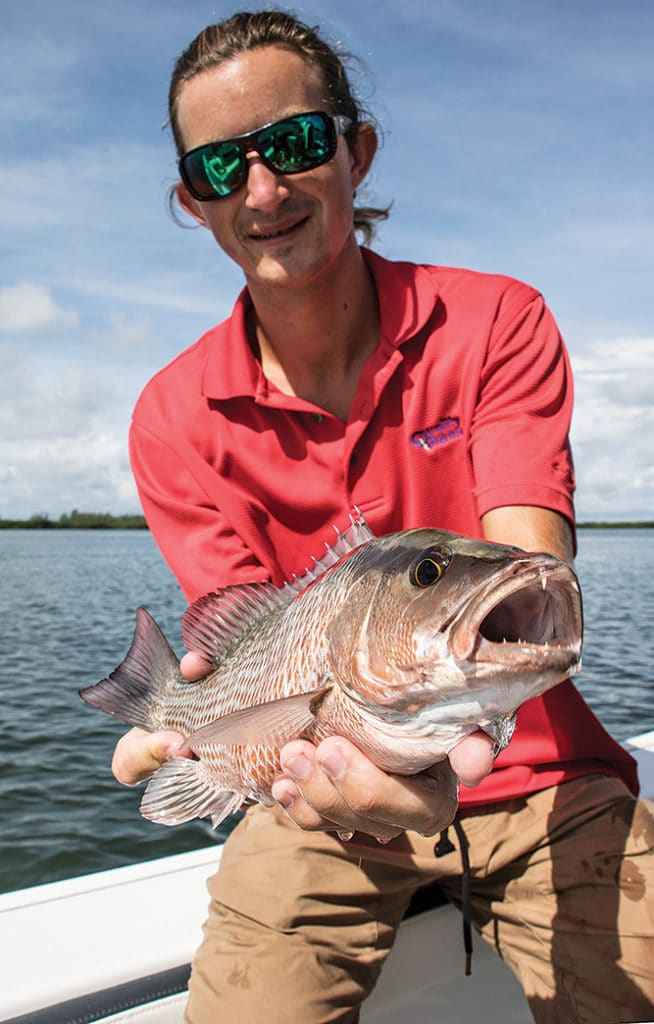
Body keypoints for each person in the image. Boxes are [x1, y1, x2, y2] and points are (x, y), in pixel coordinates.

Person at [112, 10, 654, 1023]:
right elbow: (241, 641)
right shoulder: (171, 416)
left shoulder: (497, 320)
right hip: (312, 798)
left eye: (295, 143)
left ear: (355, 151)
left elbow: (525, 560)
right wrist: (185, 731)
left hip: (543, 779)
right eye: (221, 166)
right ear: (194, 200)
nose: (263, 190)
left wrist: (460, 702)